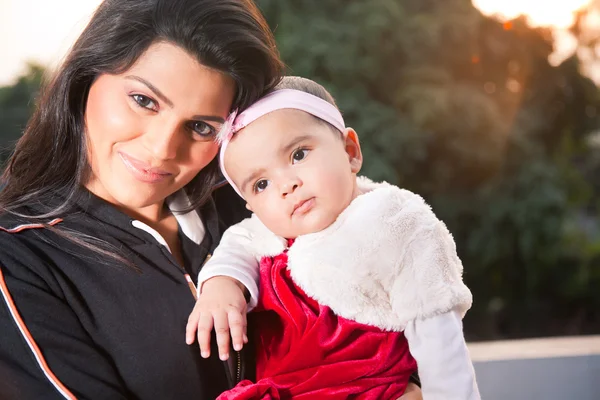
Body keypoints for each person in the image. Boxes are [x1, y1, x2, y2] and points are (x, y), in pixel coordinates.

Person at [0, 0, 285, 398]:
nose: (162, 149)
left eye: (201, 127)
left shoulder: (255, 206)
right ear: (86, 77)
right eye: (144, 101)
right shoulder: (16, 260)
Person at [186, 76, 480, 399]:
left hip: (373, 390)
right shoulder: (265, 232)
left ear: (349, 151)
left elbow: (439, 337)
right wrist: (221, 284)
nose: (286, 185)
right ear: (251, 204)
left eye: (298, 154)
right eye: (261, 184)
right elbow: (236, 244)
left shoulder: (395, 222)